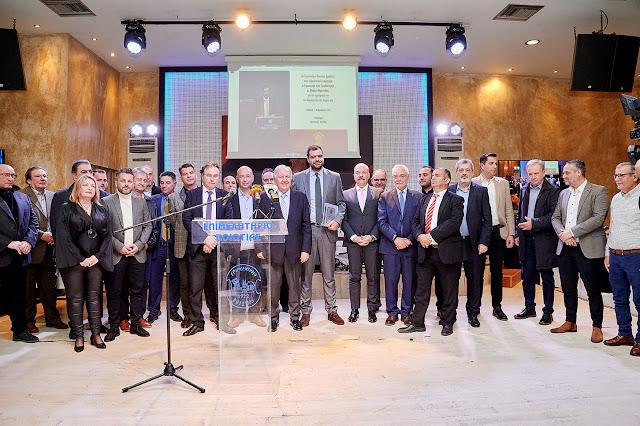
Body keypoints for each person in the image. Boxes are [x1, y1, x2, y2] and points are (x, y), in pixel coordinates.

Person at [400, 168, 464, 336]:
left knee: (449, 290)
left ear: (447, 180)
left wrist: (430, 236)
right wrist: (419, 236)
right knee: (421, 291)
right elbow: (415, 222)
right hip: (425, 252)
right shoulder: (424, 199)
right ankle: (417, 323)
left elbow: (454, 223)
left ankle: (448, 323)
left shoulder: (456, 199)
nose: (433, 178)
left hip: (447, 252)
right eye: (433, 175)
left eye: (437, 175)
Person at [551, 160, 608, 343]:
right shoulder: (564, 193)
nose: (564, 176)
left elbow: (598, 218)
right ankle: (570, 321)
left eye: (567, 172)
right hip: (565, 248)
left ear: (579, 172)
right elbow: (555, 217)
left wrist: (572, 232)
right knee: (568, 287)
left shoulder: (598, 191)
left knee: (593, 289)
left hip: (588, 249)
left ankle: (597, 326)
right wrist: (563, 234)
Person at [55, 174, 112, 352]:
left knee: (94, 298)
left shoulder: (102, 209)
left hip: (96, 261)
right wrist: (81, 258)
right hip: (73, 261)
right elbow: (63, 237)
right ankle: (79, 335)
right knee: (75, 298)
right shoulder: (66, 209)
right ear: (78, 188)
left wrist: (97, 257)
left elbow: (108, 236)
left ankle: (95, 334)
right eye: (86, 185)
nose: (89, 188)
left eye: (93, 186)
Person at [293, 145, 346, 326]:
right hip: (307, 232)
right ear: (308, 159)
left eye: (320, 156)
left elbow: (341, 204)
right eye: (313, 156)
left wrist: (337, 220)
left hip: (327, 231)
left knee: (328, 274)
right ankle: (305, 312)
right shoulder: (298, 178)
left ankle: (332, 311)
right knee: (306, 275)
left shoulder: (334, 177)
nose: (317, 159)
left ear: (323, 157)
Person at [257, 165, 311, 332]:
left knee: (294, 287)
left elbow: (306, 226)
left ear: (291, 178)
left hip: (295, 250)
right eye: (281, 177)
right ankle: (273, 318)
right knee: (274, 288)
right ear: (275, 179)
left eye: (287, 176)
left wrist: (306, 249)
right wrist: (259, 247)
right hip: (273, 251)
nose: (285, 180)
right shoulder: (266, 197)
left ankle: (295, 317)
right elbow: (259, 224)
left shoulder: (300, 197)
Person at [181, 161, 233, 336]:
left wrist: (213, 241)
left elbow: (228, 221)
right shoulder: (192, 195)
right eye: (209, 175)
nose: (212, 179)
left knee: (218, 287)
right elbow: (187, 219)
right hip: (197, 249)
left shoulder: (224, 195)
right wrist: (205, 239)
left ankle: (220, 319)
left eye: (215, 176)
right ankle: (197, 322)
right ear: (202, 176)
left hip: (218, 248)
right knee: (195, 289)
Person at [102, 168, 152, 341]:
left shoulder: (141, 202)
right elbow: (104, 229)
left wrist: (138, 245)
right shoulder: (106, 202)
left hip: (137, 254)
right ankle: (114, 326)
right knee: (114, 291)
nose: (126, 184)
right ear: (116, 181)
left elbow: (148, 225)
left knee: (138, 290)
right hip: (117, 254)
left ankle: (136, 324)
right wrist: (119, 247)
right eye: (123, 180)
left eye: (129, 181)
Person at [514, 159, 561, 325]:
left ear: (543, 172)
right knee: (527, 276)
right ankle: (529, 308)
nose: (533, 177)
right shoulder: (524, 189)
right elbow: (521, 214)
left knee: (546, 277)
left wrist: (533, 223)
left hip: (544, 240)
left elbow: (553, 216)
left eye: (536, 173)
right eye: (530, 174)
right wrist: (518, 233)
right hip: (526, 239)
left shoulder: (553, 191)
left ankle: (548, 312)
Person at [21, 167, 67, 332]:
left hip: (50, 250)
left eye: (45, 176)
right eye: (38, 176)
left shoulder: (53, 196)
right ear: (29, 180)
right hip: (30, 249)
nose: (43, 178)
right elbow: (21, 223)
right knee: (28, 291)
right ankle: (28, 321)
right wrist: (41, 235)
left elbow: (58, 219)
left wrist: (54, 235)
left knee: (49, 288)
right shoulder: (21, 196)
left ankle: (52, 319)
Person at [448, 159, 492, 327]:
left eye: (467, 170)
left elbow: (487, 220)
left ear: (473, 172)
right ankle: (449, 313)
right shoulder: (449, 190)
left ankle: (473, 312)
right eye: (461, 170)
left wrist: (484, 242)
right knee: (451, 279)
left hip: (474, 244)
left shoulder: (481, 192)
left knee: (475, 279)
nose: (464, 173)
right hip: (453, 243)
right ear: (457, 172)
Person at [472, 153, 515, 321]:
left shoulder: (502, 184)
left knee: (497, 271)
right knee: (477, 272)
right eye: (491, 163)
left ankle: (497, 306)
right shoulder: (473, 183)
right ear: (482, 165)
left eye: (495, 163)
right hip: (479, 234)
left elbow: (508, 210)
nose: (494, 166)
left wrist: (511, 233)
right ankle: (475, 308)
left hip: (498, 232)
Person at [378, 164, 422, 326]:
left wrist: (409, 240)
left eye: (402, 176)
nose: (398, 179)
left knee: (409, 282)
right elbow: (381, 222)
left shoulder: (417, 197)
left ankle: (406, 312)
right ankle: (392, 312)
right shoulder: (385, 196)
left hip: (410, 247)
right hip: (390, 247)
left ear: (408, 177)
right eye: (395, 176)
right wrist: (395, 238)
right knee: (391, 281)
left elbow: (420, 222)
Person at [603, 162, 640, 356]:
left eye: (622, 175)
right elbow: (612, 227)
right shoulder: (616, 199)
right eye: (616, 175)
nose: (617, 179)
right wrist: (607, 253)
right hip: (616, 256)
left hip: (636, 256)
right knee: (619, 298)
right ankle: (625, 333)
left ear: (635, 176)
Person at [0, 164, 39, 343]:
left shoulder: (22, 196)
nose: (10, 178)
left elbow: (33, 221)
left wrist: (28, 242)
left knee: (19, 296)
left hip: (20, 257)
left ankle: (20, 331)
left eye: (12, 175)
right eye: (5, 175)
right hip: (2, 255)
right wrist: (7, 243)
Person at [342, 163, 382, 323]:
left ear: (369, 175)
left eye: (364, 172)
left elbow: (381, 219)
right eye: (357, 172)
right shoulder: (345, 195)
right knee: (354, 277)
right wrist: (353, 237)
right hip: (353, 243)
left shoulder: (378, 193)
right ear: (353, 175)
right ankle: (354, 310)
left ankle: (372, 310)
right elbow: (343, 220)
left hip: (372, 243)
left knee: (373, 277)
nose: (360, 175)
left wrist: (371, 236)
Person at [228, 166, 267, 327]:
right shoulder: (229, 198)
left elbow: (266, 223)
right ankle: (237, 315)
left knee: (255, 281)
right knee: (237, 282)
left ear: (252, 178)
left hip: (254, 248)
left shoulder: (260, 197)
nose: (245, 179)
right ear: (237, 179)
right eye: (241, 176)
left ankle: (254, 314)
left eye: (248, 176)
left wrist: (261, 247)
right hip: (236, 248)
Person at [147, 171, 182, 324]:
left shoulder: (180, 198)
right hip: (158, 245)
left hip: (174, 245)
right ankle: (153, 311)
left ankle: (173, 309)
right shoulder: (153, 200)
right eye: (162, 182)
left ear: (174, 184)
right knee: (154, 279)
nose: (164, 185)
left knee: (174, 279)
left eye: (168, 183)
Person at [168, 163, 198, 329]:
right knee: (185, 284)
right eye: (185, 174)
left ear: (195, 174)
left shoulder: (203, 194)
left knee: (199, 283)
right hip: (182, 246)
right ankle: (187, 314)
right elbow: (173, 222)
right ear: (181, 178)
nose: (189, 176)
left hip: (200, 246)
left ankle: (203, 313)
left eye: (191, 172)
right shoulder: (173, 197)